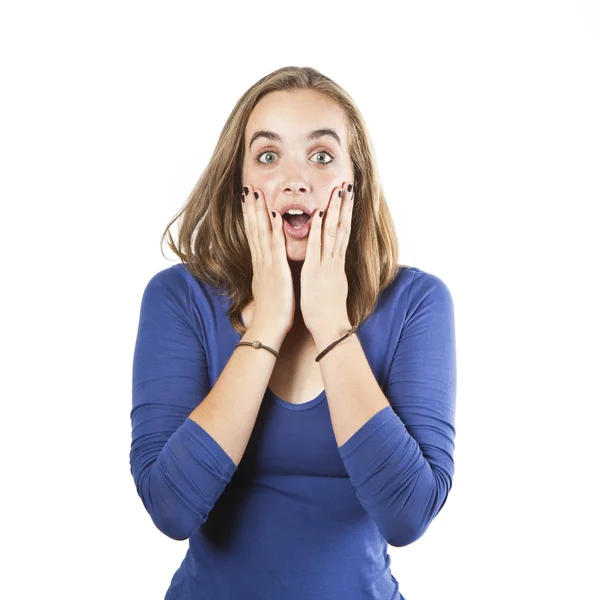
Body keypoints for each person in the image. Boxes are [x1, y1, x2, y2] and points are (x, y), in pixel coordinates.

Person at [129, 66, 457, 600]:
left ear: (357, 182)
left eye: (322, 156)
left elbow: (408, 515)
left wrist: (329, 322)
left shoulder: (416, 303)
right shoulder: (178, 297)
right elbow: (171, 508)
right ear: (240, 183)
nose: (294, 179)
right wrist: (268, 324)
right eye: (267, 155)